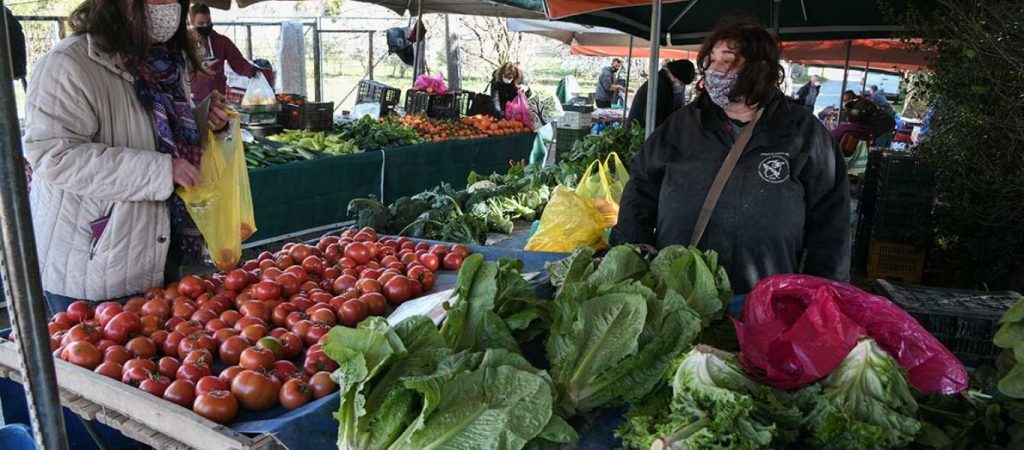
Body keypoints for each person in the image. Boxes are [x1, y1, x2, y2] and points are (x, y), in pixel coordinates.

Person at [611, 20, 851, 293]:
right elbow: (641, 183)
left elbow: (832, 224)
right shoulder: (682, 125)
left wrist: (823, 293)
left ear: (760, 69)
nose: (715, 70)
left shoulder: (804, 134)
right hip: (678, 295)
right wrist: (633, 243)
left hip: (763, 299)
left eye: (727, 61)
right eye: (711, 60)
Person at [23, 0, 231, 313]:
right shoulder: (68, 63)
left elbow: (158, 135)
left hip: (157, 249)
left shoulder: (165, 60)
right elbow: (55, 155)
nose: (168, 6)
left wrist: (203, 119)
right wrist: (161, 172)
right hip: (94, 264)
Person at [188, 3, 262, 102]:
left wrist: (250, 70)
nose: (206, 26)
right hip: (193, 96)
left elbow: (237, 60)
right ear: (192, 23)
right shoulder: (186, 43)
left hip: (218, 96)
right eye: (201, 24)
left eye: (208, 22)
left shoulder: (222, 41)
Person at [626, 59, 696, 129]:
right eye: (681, 83)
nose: (681, 86)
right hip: (639, 129)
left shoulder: (664, 82)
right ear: (675, 76)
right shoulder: (659, 85)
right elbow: (654, 117)